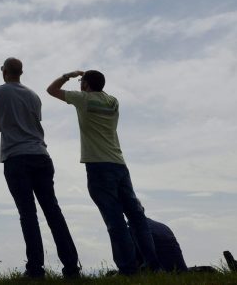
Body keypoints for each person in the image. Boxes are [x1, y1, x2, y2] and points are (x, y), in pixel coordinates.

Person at [47, 69, 160, 275]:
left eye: (82, 81)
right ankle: (152, 265)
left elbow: (51, 90)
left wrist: (68, 76)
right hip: (119, 164)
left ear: (86, 84)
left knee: (114, 220)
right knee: (136, 217)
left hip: (98, 166)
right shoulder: (113, 101)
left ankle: (128, 269)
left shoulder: (83, 100)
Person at [0, 58, 80, 279]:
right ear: (21, 72)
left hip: (16, 158)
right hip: (41, 156)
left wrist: (9, 125)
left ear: (4, 71)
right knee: (53, 212)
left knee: (28, 215)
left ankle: (36, 269)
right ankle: (71, 268)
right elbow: (33, 124)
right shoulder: (34, 96)